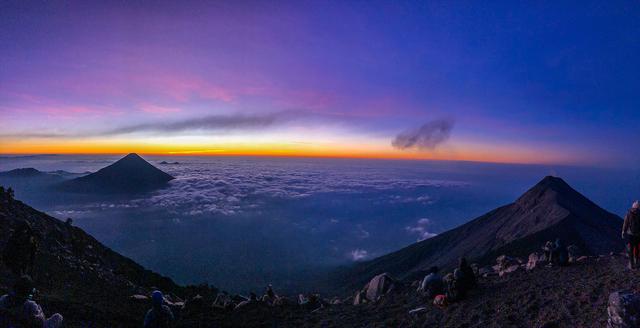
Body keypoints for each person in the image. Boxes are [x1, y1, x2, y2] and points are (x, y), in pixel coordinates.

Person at [622, 201, 640, 270]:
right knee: (637, 248)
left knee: (631, 249)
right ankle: (637, 262)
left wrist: (623, 231)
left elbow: (625, 223)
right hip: (638, 234)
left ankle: (631, 264)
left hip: (630, 234)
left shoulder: (629, 214)